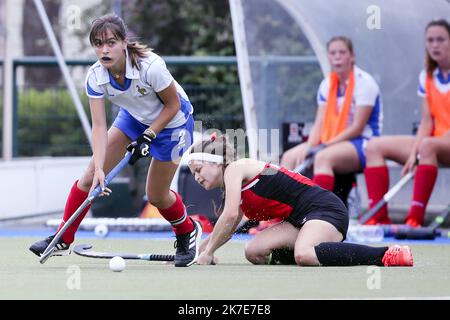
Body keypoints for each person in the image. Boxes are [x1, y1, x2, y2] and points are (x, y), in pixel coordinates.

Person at [29, 13, 202, 267]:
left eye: (110, 42)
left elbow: (173, 105)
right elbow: (98, 126)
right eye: (98, 44)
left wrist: (149, 135)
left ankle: (187, 231)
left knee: (156, 195)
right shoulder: (95, 76)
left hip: (174, 125)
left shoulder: (151, 67)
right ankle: (62, 239)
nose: (104, 50)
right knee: (89, 177)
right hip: (133, 117)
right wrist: (100, 167)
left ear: (124, 42)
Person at [187, 134, 413, 267]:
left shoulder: (235, 168)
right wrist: (200, 251)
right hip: (298, 221)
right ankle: (326, 250)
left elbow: (228, 217)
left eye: (198, 170)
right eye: (193, 174)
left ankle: (384, 254)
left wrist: (207, 253)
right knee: (254, 252)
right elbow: (231, 224)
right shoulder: (233, 184)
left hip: (324, 209)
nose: (197, 177)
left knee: (303, 254)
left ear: (217, 162)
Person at [364, 19, 450, 227]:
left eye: (441, 40)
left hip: (439, 144)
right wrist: (413, 154)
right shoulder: (427, 76)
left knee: (427, 145)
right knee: (374, 146)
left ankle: (415, 220)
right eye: (430, 40)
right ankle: (378, 219)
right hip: (434, 142)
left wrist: (424, 146)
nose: (435, 45)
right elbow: (426, 121)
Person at [280, 36, 382, 194]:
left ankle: (320, 212)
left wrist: (324, 146)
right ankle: (281, 211)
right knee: (289, 157)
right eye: (333, 53)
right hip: (331, 142)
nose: (337, 57)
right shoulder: (327, 84)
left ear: (352, 56)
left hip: (363, 142)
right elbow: (319, 123)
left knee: (322, 157)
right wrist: (309, 146)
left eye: (342, 52)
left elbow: (357, 128)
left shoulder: (365, 83)